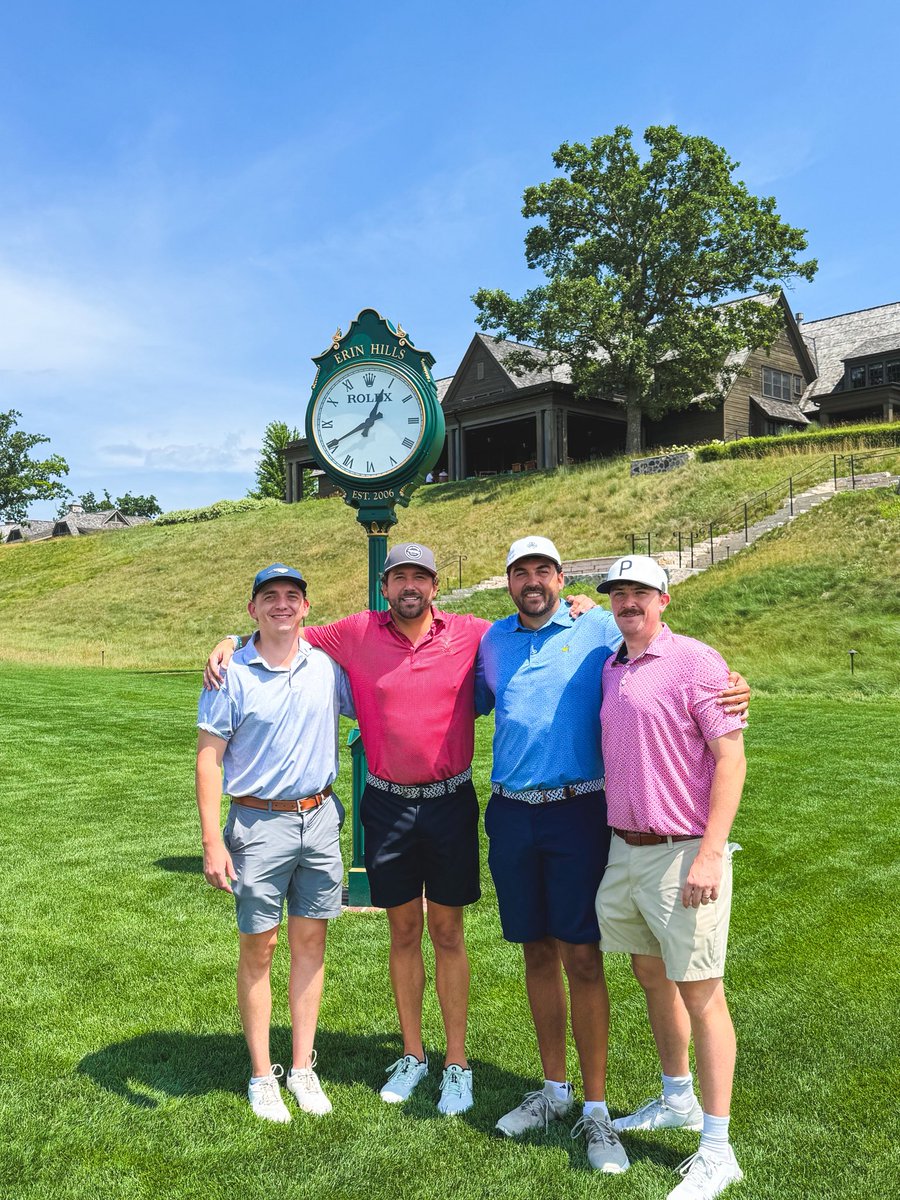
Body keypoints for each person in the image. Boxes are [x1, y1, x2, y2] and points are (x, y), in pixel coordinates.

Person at [475, 537, 749, 1175]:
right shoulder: (500, 640)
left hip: (591, 818)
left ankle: (615, 1115)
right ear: (509, 582)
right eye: (521, 572)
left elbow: (724, 739)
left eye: (544, 570)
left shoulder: (599, 627)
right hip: (535, 817)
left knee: (595, 960)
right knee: (570, 957)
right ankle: (563, 1091)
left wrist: (731, 684)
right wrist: (234, 645)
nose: (533, 581)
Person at [205, 544, 491, 1116]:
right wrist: (231, 642)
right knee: (403, 931)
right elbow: (282, 633)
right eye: (399, 577)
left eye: (421, 577)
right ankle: (412, 1054)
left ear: (435, 586)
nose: (410, 585)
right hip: (384, 805)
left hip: (448, 801)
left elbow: (530, 624)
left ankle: (455, 1063)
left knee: (449, 932)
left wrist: (582, 605)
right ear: (385, 587)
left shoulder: (474, 632)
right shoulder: (355, 633)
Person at [596, 555, 747, 1200]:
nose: (629, 601)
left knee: (701, 990)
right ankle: (676, 1097)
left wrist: (712, 854)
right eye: (618, 593)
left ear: (664, 598)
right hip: (626, 848)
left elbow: (730, 761)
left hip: (684, 849)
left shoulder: (697, 663)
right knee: (651, 973)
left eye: (640, 592)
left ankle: (718, 1147)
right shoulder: (612, 665)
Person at [196, 563, 355, 1123]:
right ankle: (263, 1075)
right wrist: (213, 841)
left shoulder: (328, 667)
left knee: (311, 943)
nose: (282, 605)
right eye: (270, 597)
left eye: (292, 596)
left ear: (306, 608)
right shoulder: (230, 672)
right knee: (259, 948)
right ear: (253, 609)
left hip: (319, 819)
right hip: (257, 826)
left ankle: (303, 1068)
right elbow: (209, 758)